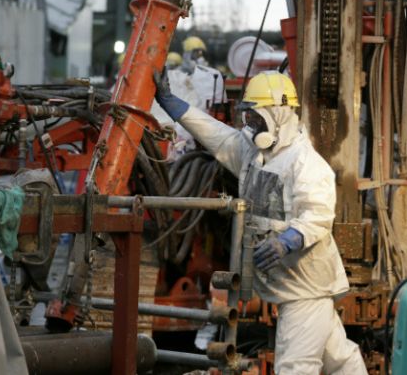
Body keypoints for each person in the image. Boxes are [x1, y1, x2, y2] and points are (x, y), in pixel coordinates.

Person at [154, 69, 367, 375]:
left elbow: (318, 214)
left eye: (255, 118)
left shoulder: (304, 162)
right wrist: (171, 104)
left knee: (294, 367)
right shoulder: (254, 153)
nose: (250, 125)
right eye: (248, 118)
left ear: (277, 114)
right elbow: (216, 135)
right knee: (339, 359)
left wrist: (288, 240)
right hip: (288, 283)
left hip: (305, 287)